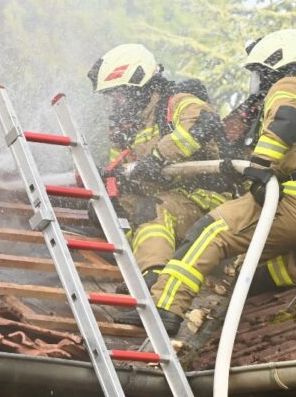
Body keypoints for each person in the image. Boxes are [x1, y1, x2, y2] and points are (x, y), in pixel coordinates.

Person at [116, 29, 296, 335]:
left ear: (276, 63)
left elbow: (285, 122)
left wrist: (259, 167)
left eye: (259, 72)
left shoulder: (289, 84)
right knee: (238, 262)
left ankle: (165, 308)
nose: (258, 82)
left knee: (210, 232)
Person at [87, 43, 231, 309]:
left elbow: (204, 124)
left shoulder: (177, 102)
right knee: (107, 208)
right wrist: (112, 183)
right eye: (112, 96)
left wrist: (157, 157)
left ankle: (153, 280)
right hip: (168, 197)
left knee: (151, 209)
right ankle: (143, 259)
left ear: (140, 84)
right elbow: (121, 169)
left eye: (120, 93)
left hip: (208, 200)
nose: (117, 102)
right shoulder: (126, 126)